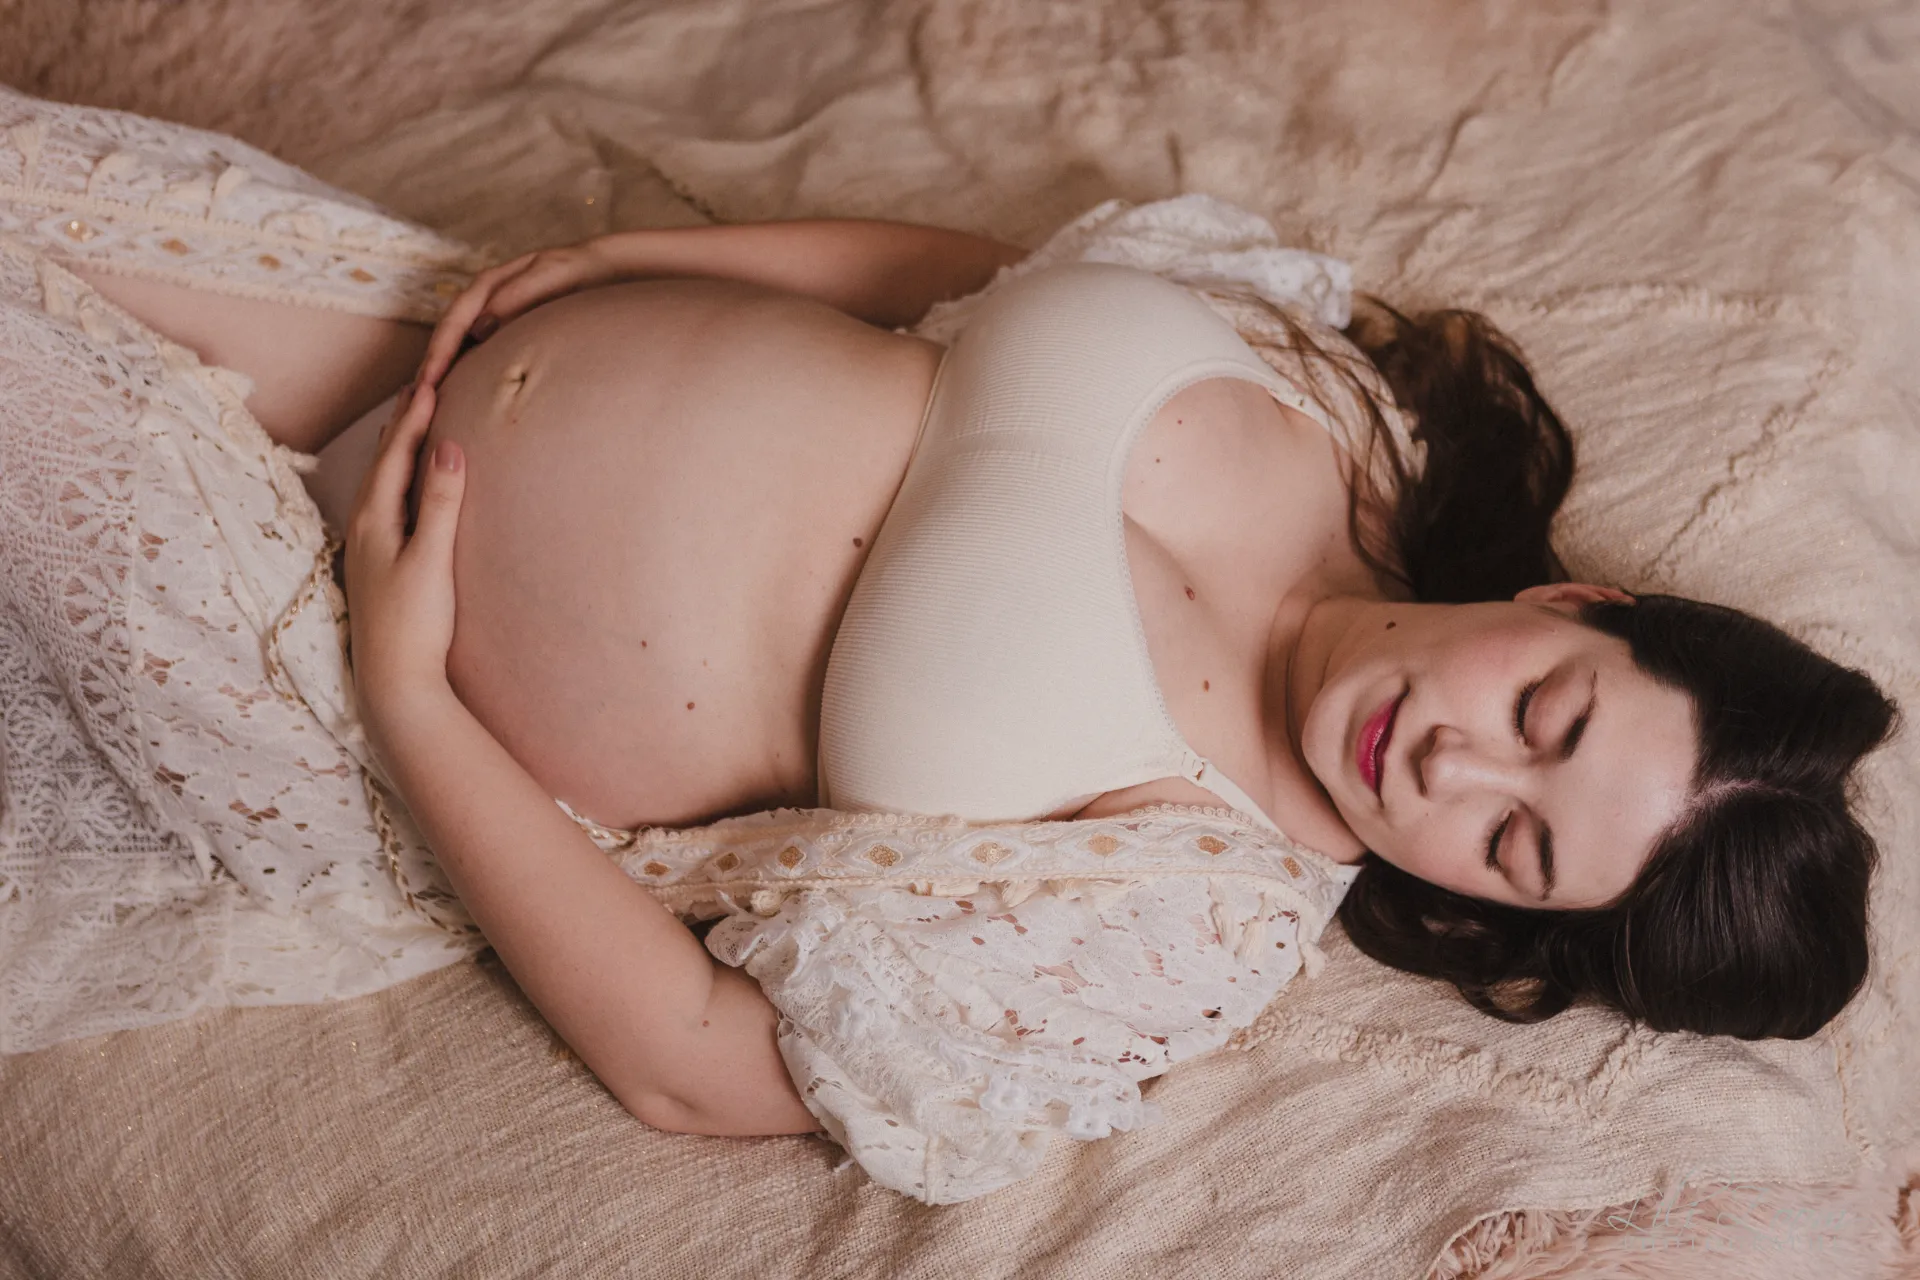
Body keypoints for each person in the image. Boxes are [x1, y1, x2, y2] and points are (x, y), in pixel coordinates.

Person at [0, 88, 1894, 1189]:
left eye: (1512, 844)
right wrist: (675, 270)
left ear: (1498, 907)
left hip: (311, 656)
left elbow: (707, 1068)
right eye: (1545, 713)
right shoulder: (1343, 404)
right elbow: (972, 287)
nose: (1457, 767)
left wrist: (409, 692)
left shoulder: (1188, 912)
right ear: (1571, 607)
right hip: (401, 333)